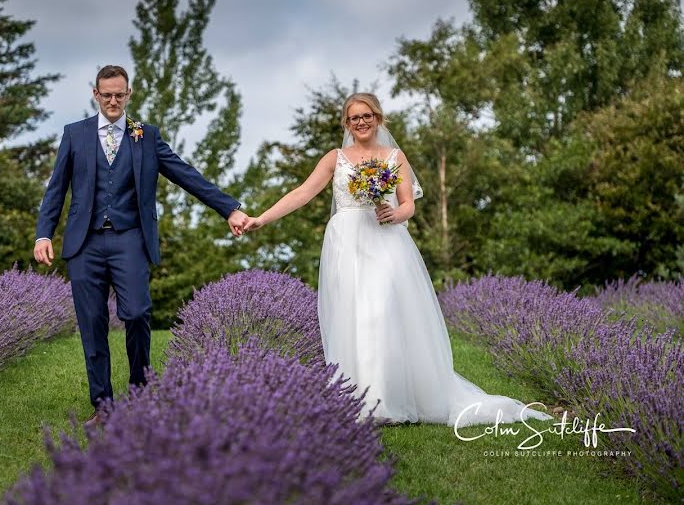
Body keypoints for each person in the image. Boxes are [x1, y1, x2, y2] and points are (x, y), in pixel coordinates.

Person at [243, 92, 553, 428]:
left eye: (367, 116)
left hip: (386, 241)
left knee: (380, 311)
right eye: (353, 118)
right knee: (354, 314)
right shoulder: (336, 158)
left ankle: (385, 401)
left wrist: (395, 213)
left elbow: (408, 204)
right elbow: (302, 193)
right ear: (346, 123)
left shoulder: (395, 156)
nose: (360, 122)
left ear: (378, 118)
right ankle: (357, 398)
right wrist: (261, 219)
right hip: (346, 242)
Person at [34, 65, 250, 425]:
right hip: (83, 243)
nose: (114, 101)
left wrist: (228, 207)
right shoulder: (75, 135)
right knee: (92, 323)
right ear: (96, 94)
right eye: (107, 95)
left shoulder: (145, 136)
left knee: (135, 312)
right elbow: (56, 189)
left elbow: (184, 173)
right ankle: (103, 406)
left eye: (120, 95)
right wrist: (44, 234)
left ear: (129, 93)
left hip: (129, 239)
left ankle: (140, 392)